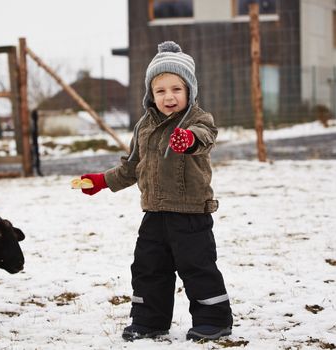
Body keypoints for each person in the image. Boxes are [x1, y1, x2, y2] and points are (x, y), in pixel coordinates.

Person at [80, 41, 233, 342]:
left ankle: (214, 320)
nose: (169, 97)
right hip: (154, 213)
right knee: (148, 267)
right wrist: (101, 181)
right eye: (160, 91)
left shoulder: (198, 121)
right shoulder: (144, 127)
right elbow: (131, 168)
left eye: (176, 89)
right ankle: (150, 321)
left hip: (190, 214)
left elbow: (205, 137)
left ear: (189, 90)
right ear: (151, 94)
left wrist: (188, 140)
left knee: (197, 266)